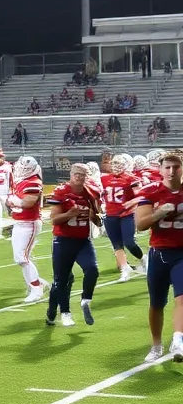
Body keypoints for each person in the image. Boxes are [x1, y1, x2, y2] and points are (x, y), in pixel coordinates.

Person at [135, 151, 183, 361]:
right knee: (156, 303)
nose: (171, 171)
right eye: (167, 167)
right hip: (159, 253)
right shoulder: (151, 191)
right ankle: (156, 345)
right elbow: (141, 224)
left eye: (176, 167)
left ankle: (178, 339)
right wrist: (159, 213)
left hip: (182, 253)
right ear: (160, 169)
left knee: (182, 298)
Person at [45, 164, 102, 327]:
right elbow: (54, 220)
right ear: (71, 174)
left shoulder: (92, 192)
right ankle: (60, 312)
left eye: (82, 174)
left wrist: (95, 216)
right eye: (76, 173)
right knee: (61, 281)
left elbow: (99, 218)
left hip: (83, 240)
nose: (79, 177)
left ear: (87, 176)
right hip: (63, 240)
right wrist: (69, 214)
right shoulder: (61, 191)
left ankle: (85, 300)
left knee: (92, 269)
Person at [6, 156, 48, 303]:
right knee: (21, 257)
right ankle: (37, 283)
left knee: (21, 257)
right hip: (20, 222)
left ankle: (36, 287)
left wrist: (12, 201)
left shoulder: (34, 182)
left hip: (29, 223)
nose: (19, 170)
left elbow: (28, 203)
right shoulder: (21, 181)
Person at [101, 154, 147, 283]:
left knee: (129, 242)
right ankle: (125, 270)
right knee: (117, 245)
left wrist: (131, 203)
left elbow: (142, 196)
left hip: (127, 214)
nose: (116, 166)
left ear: (126, 164)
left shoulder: (131, 179)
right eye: (114, 163)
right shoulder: (104, 178)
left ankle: (143, 259)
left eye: (119, 163)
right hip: (110, 215)